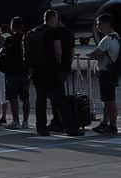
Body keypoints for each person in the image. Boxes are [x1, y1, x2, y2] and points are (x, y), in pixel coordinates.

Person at [27, 9, 82, 137]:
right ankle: (71, 129)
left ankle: (41, 128)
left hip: (37, 71)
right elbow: (58, 51)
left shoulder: (33, 32)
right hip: (51, 71)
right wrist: (60, 65)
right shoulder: (53, 32)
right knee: (60, 101)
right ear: (53, 18)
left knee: (40, 101)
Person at [88, 13, 121, 135]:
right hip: (111, 72)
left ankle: (112, 125)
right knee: (107, 100)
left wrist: (88, 56)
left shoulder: (107, 39)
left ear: (106, 24)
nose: (97, 27)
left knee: (109, 100)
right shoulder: (115, 36)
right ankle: (105, 123)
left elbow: (95, 54)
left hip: (107, 73)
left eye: (99, 24)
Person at [0, 16, 30, 128]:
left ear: (12, 27)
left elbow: (3, 56)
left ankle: (16, 120)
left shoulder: (9, 40)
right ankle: (25, 121)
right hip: (24, 71)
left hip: (11, 72)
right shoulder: (26, 38)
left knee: (13, 97)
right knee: (25, 97)